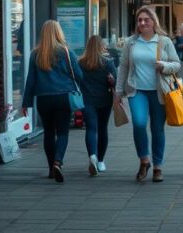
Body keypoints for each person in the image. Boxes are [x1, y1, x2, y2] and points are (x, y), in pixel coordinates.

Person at [115, 6, 181, 183]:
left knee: (157, 129)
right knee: (138, 123)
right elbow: (124, 68)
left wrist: (165, 66)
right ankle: (144, 160)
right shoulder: (131, 42)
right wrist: (118, 91)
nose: (142, 23)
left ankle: (158, 166)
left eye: (146, 20)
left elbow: (177, 64)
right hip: (137, 91)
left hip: (160, 91)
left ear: (153, 22)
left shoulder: (164, 41)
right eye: (139, 20)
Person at [21, 20, 81, 183]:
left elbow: (30, 80)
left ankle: (50, 169)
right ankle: (58, 162)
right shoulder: (67, 52)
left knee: (49, 132)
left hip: (44, 99)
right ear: (58, 33)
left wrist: (26, 103)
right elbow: (79, 75)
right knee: (62, 132)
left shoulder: (35, 54)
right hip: (63, 97)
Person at [77, 34, 117, 176]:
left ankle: (92, 156)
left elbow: (77, 80)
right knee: (102, 129)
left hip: (87, 100)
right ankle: (100, 161)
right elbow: (115, 82)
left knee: (91, 129)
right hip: (104, 100)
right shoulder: (108, 62)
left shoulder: (80, 62)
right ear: (101, 46)